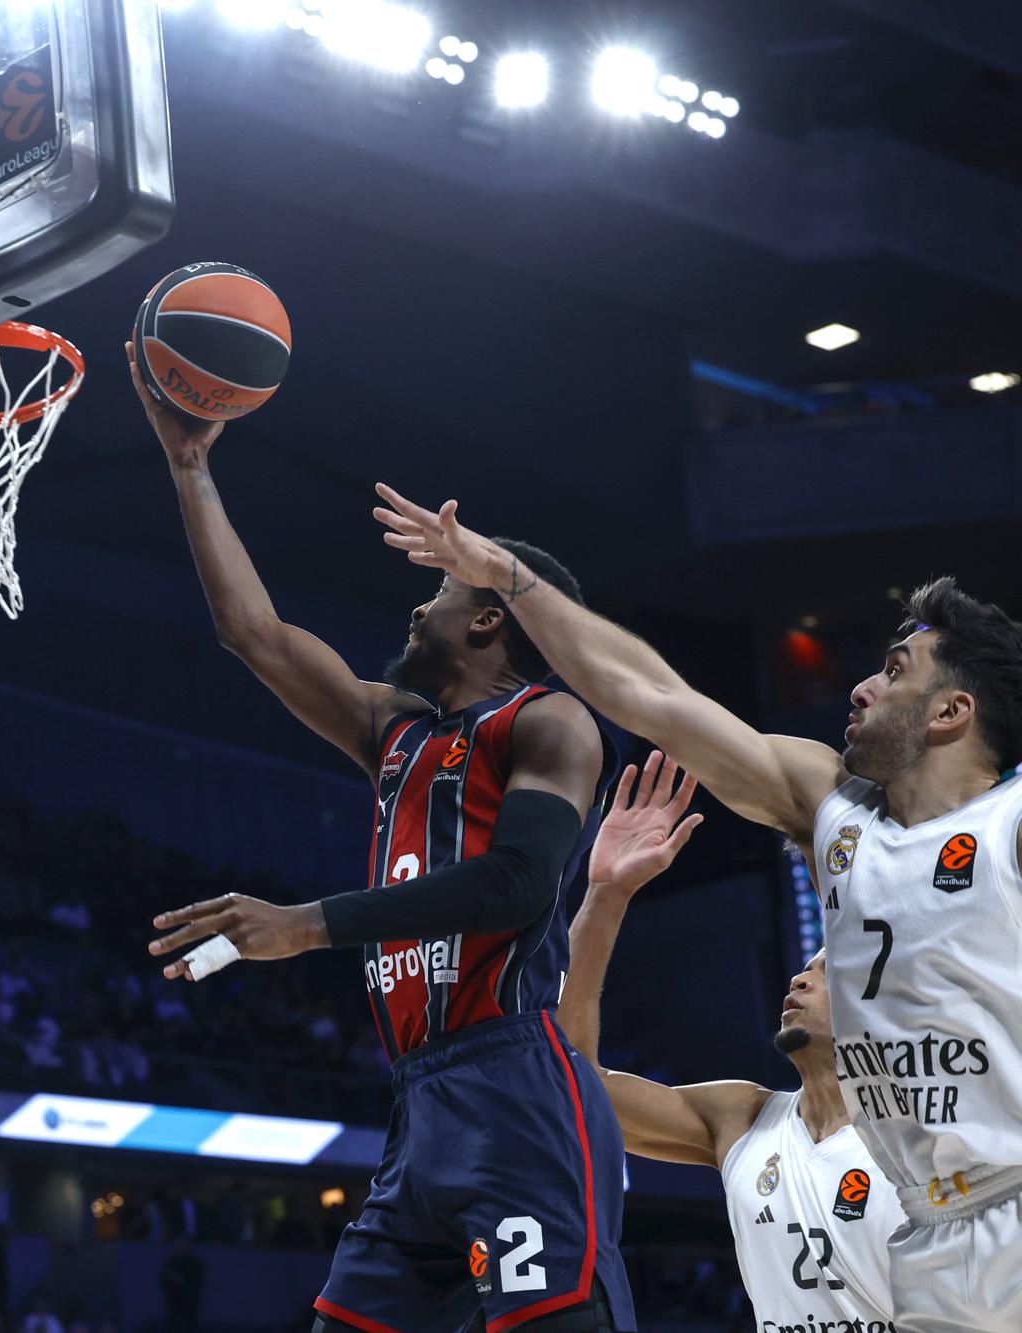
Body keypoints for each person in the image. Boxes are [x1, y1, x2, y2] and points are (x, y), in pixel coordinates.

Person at [372, 483, 1022, 1329]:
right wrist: (506, 576)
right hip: (934, 1237)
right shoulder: (832, 808)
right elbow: (649, 694)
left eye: (894, 672)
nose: (860, 688)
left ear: (951, 712)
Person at [132, 359, 632, 1331]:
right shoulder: (392, 731)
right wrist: (190, 466)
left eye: (438, 591)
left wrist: (307, 925)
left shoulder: (550, 722)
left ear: (489, 616)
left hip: (514, 1085)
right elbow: (254, 634)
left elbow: (520, 884)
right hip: (421, 1104)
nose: (415, 607)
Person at [561, 753, 901, 1325]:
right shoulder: (742, 1118)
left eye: (826, 970)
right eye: (804, 967)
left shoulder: (929, 1123)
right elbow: (571, 1081)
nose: (799, 977)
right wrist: (606, 894)